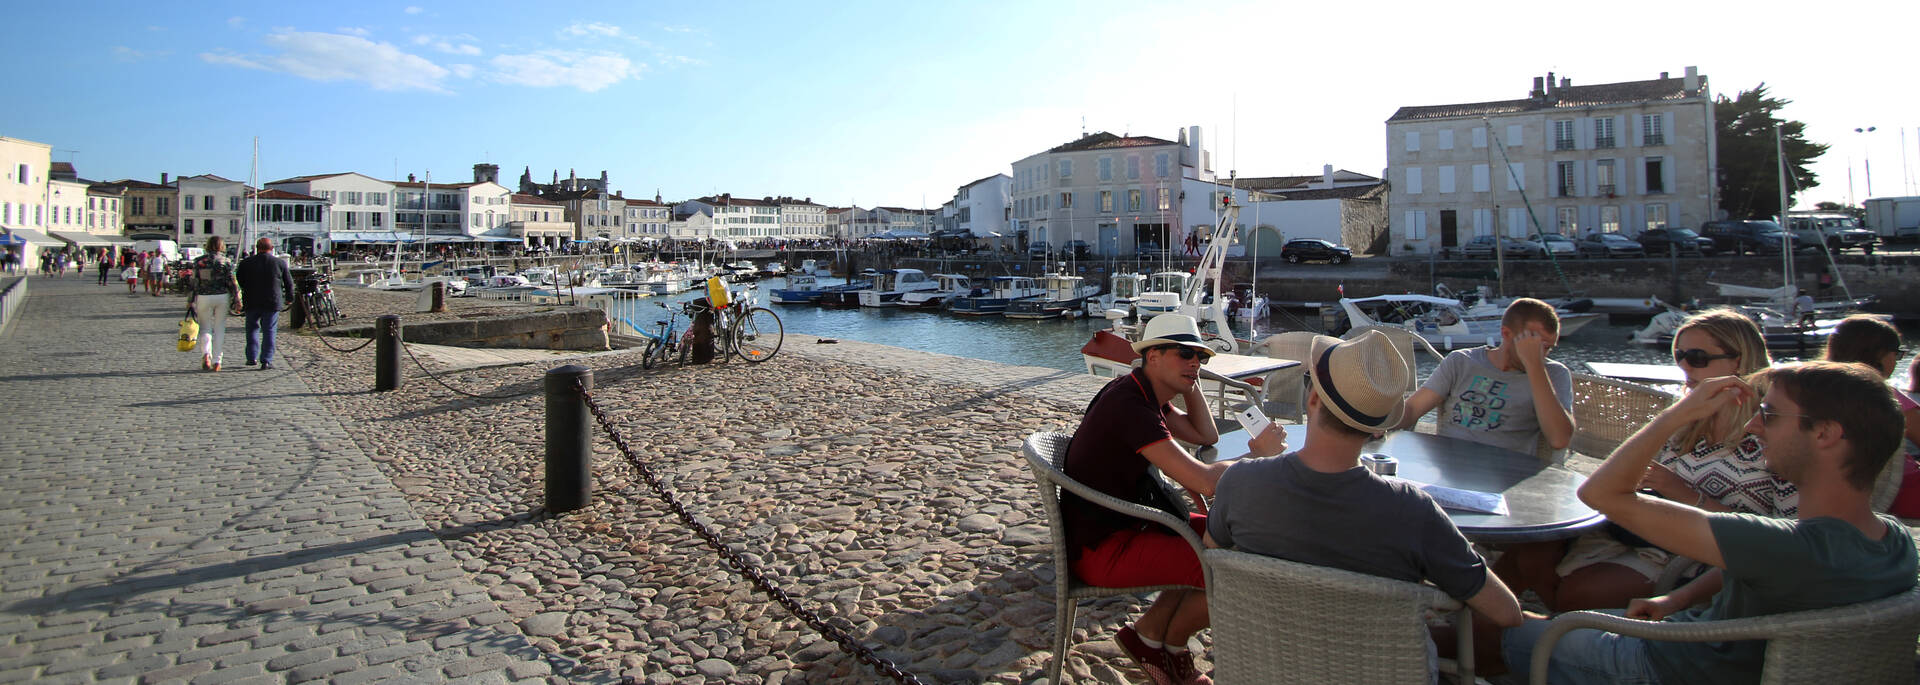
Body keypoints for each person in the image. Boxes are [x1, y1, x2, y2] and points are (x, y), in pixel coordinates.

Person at [1505, 362, 1917, 684]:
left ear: (1825, 433)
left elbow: (1601, 495)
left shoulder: (1784, 544)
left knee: (1507, 628)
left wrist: (1676, 415)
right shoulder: (1893, 541)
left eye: (1770, 414)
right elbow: (1759, 566)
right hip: (1707, 648)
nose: (1754, 426)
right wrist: (1676, 599)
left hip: (1670, 667)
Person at [1206, 331, 1523, 680]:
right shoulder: (1413, 512)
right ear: (1377, 430)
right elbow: (1507, 612)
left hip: (1262, 668)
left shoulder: (1240, 483)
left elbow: (1213, 552)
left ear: (1312, 400)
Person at [1062, 313, 1285, 685]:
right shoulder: (1130, 406)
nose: (1195, 362)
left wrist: (1187, 380)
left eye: (1201, 357)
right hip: (1104, 549)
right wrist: (1257, 455)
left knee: (1247, 540)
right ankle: (1171, 644)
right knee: (1239, 571)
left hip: (1130, 525)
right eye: (1185, 354)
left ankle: (1150, 636)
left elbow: (1205, 434)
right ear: (1152, 356)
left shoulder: (1144, 393)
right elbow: (1204, 481)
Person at [1529, 309, 1792, 613]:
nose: (1684, 366)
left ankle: (1563, 632)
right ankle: (1546, 635)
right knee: (1529, 554)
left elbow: (1781, 538)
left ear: (1738, 360)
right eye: (1679, 355)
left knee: (1577, 594)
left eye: (1697, 357)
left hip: (1699, 556)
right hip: (1640, 533)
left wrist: (1682, 492)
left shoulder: (1771, 433)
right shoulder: (1687, 422)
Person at [1396, 297, 1575, 455]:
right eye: (1534, 344)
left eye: (1548, 347)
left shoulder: (1553, 374)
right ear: (1506, 334)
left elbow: (1559, 439)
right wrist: (1379, 426)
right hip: (1447, 463)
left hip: (1502, 473)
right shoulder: (1462, 361)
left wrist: (1535, 366)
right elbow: (1412, 409)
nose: (1541, 353)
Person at [1821, 314, 1920, 517]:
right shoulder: (1883, 396)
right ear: (1880, 355)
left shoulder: (1812, 390)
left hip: (1835, 491)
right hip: (1899, 492)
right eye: (1897, 354)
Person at [236, 237, 295, 370]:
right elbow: (289, 283)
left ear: (257, 248)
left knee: (252, 329)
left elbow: (240, 279)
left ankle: (251, 357)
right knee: (269, 330)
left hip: (251, 300)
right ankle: (266, 360)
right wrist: (290, 298)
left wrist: (247, 289)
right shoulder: (279, 263)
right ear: (272, 248)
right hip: (272, 301)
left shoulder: (246, 262)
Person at [189, 236, 239, 371]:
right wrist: (237, 298)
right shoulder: (226, 261)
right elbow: (232, 282)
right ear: (221, 246)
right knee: (219, 328)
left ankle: (206, 354)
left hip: (203, 296)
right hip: (222, 296)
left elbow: (194, 282)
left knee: (205, 328)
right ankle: (217, 360)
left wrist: (190, 300)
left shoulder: (199, 262)